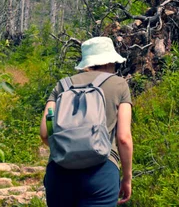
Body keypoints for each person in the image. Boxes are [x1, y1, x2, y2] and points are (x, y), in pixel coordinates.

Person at [40, 36, 133, 206]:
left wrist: (68, 148)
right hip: (102, 172)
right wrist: (127, 177)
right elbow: (124, 138)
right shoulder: (119, 85)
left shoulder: (62, 86)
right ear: (111, 61)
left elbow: (46, 132)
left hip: (59, 172)